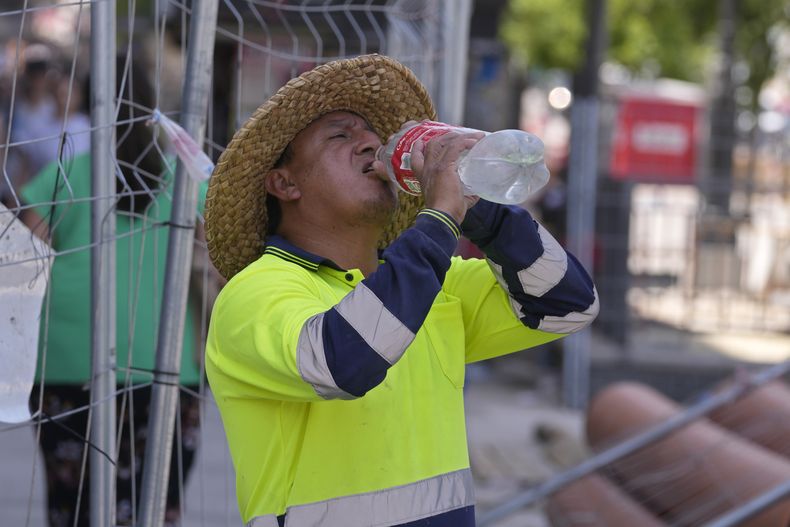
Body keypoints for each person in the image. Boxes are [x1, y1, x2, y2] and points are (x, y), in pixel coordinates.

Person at [204, 54, 599, 527]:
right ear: (284, 183)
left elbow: (569, 305)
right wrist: (440, 216)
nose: (370, 142)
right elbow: (342, 362)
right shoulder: (256, 293)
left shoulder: (431, 279)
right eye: (340, 135)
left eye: (371, 133)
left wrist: (480, 208)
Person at [20, 58, 205, 527]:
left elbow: (23, 261)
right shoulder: (185, 177)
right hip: (161, 356)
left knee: (72, 506)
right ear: (154, 106)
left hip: (66, 358)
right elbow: (219, 262)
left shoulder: (68, 171)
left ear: (89, 102)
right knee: (153, 505)